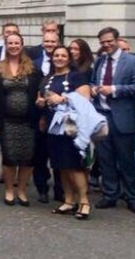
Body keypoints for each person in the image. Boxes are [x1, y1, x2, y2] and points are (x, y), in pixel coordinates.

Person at [0, 33, 41, 207]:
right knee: (9, 157)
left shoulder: (33, 68)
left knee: (28, 157)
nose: (14, 46)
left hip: (29, 121)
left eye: (17, 43)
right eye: (10, 43)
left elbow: (41, 90)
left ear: (22, 45)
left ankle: (22, 190)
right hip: (6, 121)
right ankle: (9, 189)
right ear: (6, 45)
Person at [38, 45, 93, 220]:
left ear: (69, 59)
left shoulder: (77, 77)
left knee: (74, 165)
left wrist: (62, 98)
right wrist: (40, 102)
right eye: (56, 55)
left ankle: (84, 202)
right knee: (60, 165)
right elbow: (40, 98)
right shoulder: (48, 78)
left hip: (71, 126)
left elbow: (85, 99)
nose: (59, 58)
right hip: (53, 127)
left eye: (63, 55)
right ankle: (69, 201)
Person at [91, 26, 135, 213]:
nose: (106, 45)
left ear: (117, 40)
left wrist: (114, 90)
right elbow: (93, 81)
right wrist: (93, 88)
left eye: (109, 41)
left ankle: (131, 195)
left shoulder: (131, 61)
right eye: (103, 42)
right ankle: (110, 194)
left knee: (126, 160)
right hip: (102, 115)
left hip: (123, 117)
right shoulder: (100, 61)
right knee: (105, 158)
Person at [32, 30, 63, 203]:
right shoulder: (34, 63)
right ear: (42, 43)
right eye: (47, 41)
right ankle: (42, 188)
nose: (50, 44)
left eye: (53, 41)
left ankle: (60, 189)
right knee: (40, 155)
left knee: (58, 154)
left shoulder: (65, 63)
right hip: (38, 115)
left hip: (59, 117)